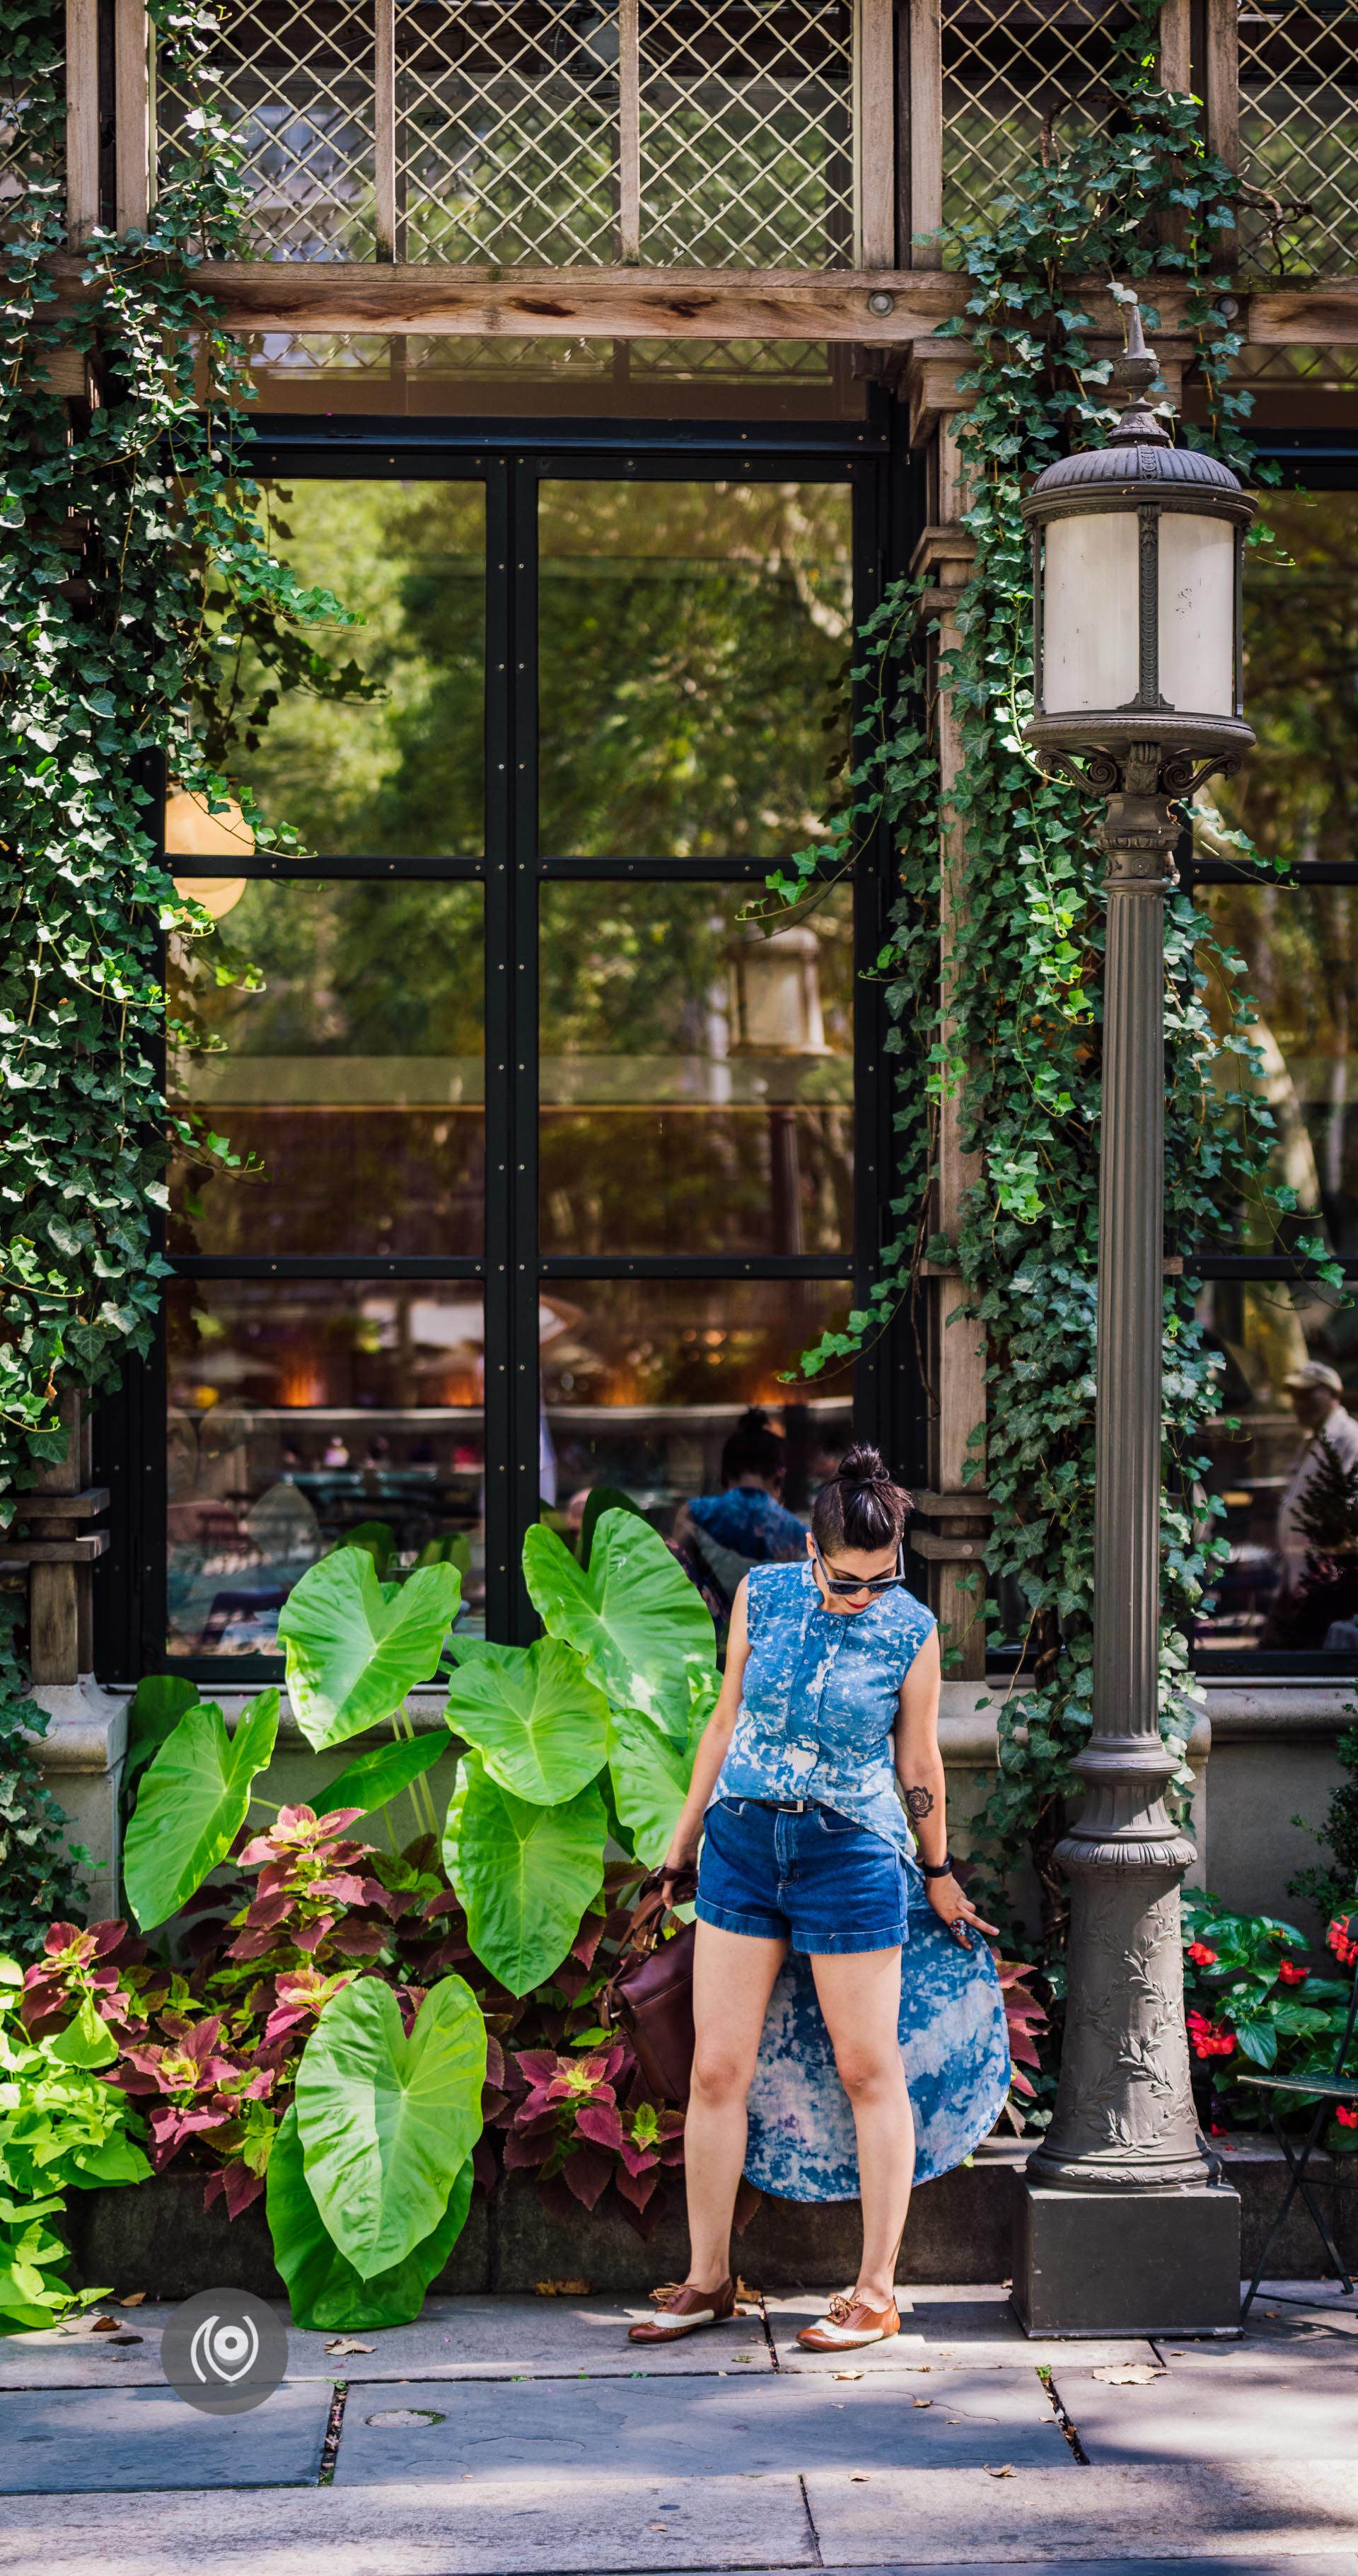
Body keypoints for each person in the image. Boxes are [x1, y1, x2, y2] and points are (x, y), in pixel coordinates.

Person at [628, 1446, 1002, 2355]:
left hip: (853, 1855)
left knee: (869, 2070)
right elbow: (725, 1721)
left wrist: (940, 1870)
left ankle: (876, 2293)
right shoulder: (762, 1595)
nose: (859, 1596)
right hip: (745, 1845)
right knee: (718, 2071)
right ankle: (709, 2280)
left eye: (879, 1581)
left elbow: (919, 1762)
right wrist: (680, 1848)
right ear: (810, 1547)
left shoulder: (911, 1629)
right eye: (845, 1578)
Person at [673, 1406, 808, 1613]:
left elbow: (675, 1577)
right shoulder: (798, 1531)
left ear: (723, 1473)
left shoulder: (694, 1514)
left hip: (710, 1630)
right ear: (779, 1475)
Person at [1275, 1361, 1358, 1606]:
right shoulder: (1315, 1438)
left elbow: (1348, 1508)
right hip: (1303, 1570)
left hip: (1328, 1574)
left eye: (1307, 1394)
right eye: (1295, 1396)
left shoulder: (1349, 1437)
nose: (1299, 1404)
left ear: (1333, 1393)